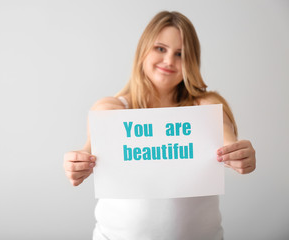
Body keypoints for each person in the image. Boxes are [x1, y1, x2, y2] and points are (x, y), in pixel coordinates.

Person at [63, 11, 256, 240]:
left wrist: (239, 153)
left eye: (180, 54)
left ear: (191, 61)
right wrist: (78, 162)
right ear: (143, 50)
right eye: (161, 49)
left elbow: (227, 138)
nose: (169, 61)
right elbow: (90, 148)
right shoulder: (111, 109)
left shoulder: (206, 106)